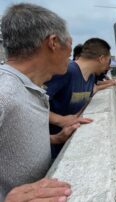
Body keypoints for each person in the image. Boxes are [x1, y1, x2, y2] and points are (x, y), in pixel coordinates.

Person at [0, 3, 76, 201]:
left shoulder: (27, 87)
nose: (71, 51)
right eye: (69, 43)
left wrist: (55, 139)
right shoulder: (4, 93)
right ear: (52, 42)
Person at [45, 38, 116, 158]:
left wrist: (107, 85)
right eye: (108, 61)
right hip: (48, 146)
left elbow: (92, 90)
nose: (107, 67)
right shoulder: (66, 71)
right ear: (101, 58)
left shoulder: (90, 77)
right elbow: (31, 105)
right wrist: (61, 120)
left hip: (66, 143)